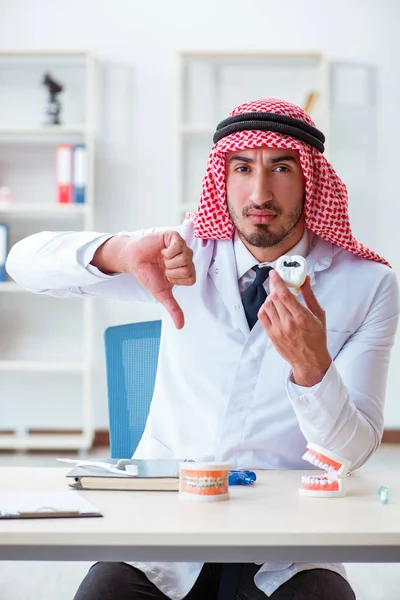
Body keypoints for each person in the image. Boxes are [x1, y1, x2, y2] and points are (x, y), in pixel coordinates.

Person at [6, 98, 399, 600]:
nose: (260, 192)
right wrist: (118, 253)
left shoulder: (368, 284)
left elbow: (353, 453)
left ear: (310, 180)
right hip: (165, 529)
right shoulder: (178, 255)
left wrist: (312, 369)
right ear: (223, 178)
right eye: (242, 168)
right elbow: (23, 263)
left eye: (281, 167)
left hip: (291, 543)